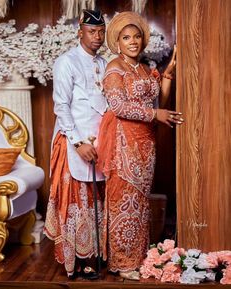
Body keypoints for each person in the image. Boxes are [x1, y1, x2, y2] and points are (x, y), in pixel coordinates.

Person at [97, 11, 184, 280]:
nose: (132, 41)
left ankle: (136, 257)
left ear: (142, 40)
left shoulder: (145, 68)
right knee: (124, 201)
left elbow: (160, 104)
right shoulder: (114, 69)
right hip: (123, 143)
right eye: (126, 37)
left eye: (136, 36)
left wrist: (167, 74)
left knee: (141, 203)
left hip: (146, 143)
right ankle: (122, 263)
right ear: (118, 43)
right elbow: (119, 106)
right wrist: (154, 115)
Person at [43, 9, 107, 279]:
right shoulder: (66, 62)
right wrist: (79, 142)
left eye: (101, 32)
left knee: (97, 200)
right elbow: (61, 106)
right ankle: (77, 261)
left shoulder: (105, 63)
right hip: (73, 140)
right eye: (92, 32)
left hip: (100, 140)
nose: (97, 37)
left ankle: (94, 255)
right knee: (75, 202)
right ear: (80, 31)